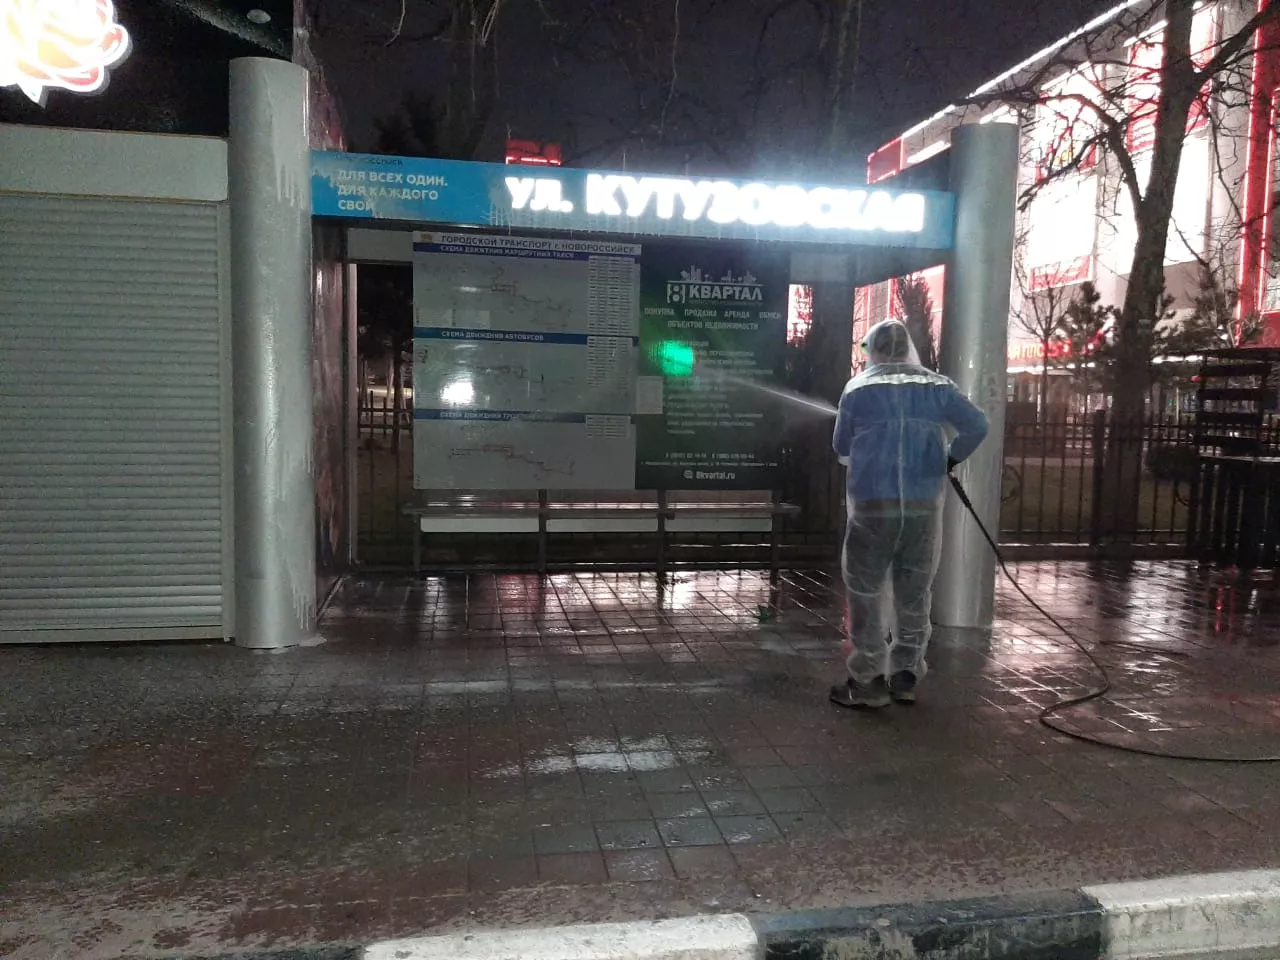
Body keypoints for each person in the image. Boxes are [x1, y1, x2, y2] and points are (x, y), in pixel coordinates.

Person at [829, 318, 989, 709]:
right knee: (914, 592)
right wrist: (948, 458)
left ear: (875, 349)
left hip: (872, 508)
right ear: (906, 347)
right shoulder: (938, 387)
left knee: (866, 592)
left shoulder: (858, 389)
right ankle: (906, 674)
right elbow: (977, 425)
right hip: (922, 508)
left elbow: (841, 447)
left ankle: (868, 680)